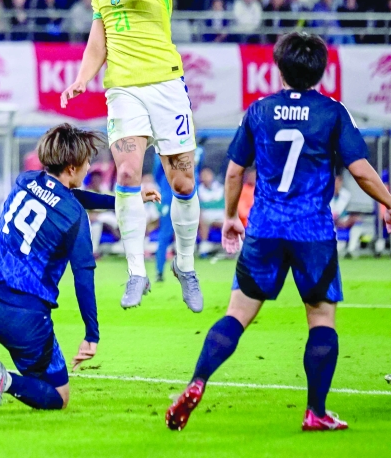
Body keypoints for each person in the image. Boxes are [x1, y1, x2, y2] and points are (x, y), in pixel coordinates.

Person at [166, 32, 391, 432]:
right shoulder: (333, 112)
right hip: (312, 232)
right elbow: (360, 171)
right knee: (321, 318)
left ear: (279, 67)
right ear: (322, 69)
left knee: (237, 314)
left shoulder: (258, 111)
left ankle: (197, 382)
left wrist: (233, 216)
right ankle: (316, 412)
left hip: (265, 227)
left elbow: (234, 171)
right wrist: (389, 203)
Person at [0, 125, 157, 414]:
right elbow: (84, 276)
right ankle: (5, 381)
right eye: (86, 162)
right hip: (30, 321)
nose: (89, 167)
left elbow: (71, 195)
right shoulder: (75, 218)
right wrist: (91, 335)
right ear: (72, 167)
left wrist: (126, 199)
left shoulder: (25, 180)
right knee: (59, 396)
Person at [60, 0, 203, 311]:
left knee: (182, 184)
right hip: (123, 88)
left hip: (165, 83)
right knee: (126, 171)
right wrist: (83, 77)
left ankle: (186, 266)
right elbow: (98, 39)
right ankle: (136, 272)